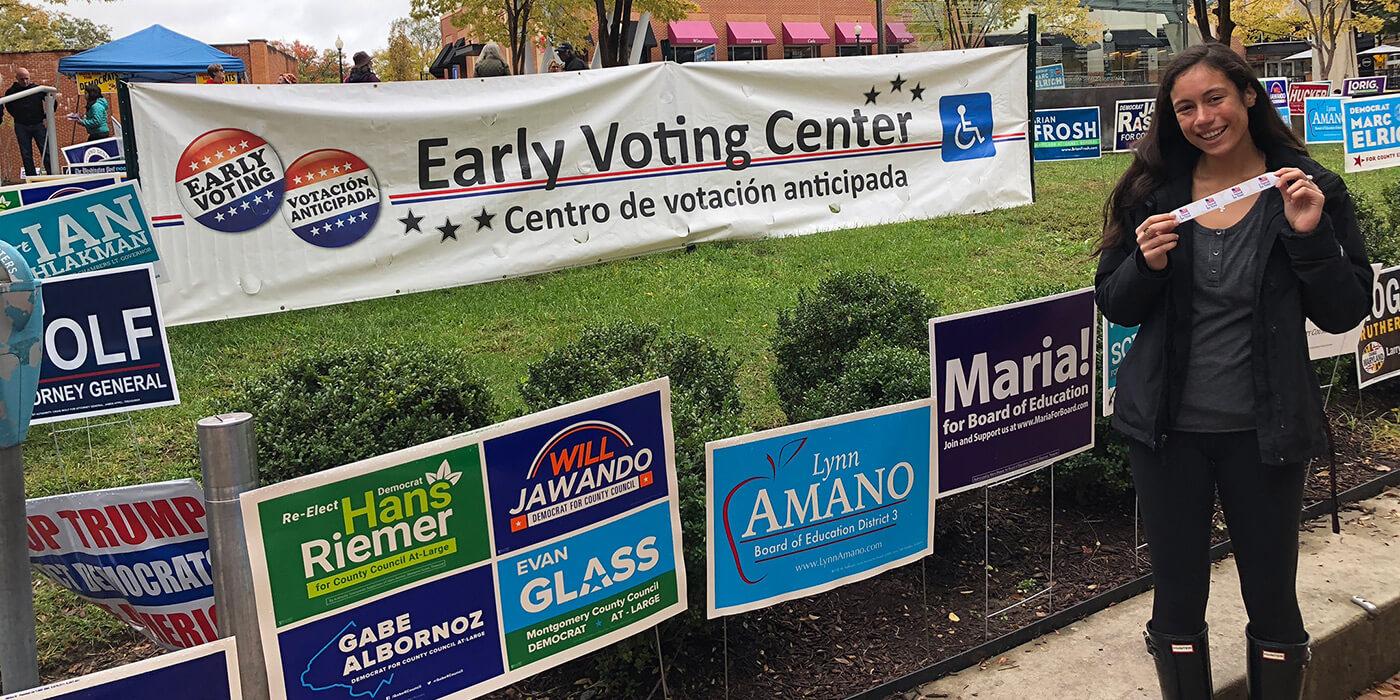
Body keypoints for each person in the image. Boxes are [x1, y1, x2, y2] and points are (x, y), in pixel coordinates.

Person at [1095, 43, 1371, 700]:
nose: (1201, 117)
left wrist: (1310, 240)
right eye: (1184, 107)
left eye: (1214, 98)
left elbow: (1345, 311)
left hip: (1265, 433)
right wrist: (1147, 265)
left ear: (1248, 95)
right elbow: (1115, 300)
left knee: (1273, 596)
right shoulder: (1152, 194)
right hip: (1167, 432)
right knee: (1177, 598)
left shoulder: (1308, 189)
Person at [4, 68, 49, 177]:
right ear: (17, 79)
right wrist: (17, 116)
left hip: (38, 123)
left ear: (30, 77)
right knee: (26, 153)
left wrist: (46, 116)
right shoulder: (11, 92)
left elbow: (52, 101)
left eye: (26, 79)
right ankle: (31, 176)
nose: (25, 81)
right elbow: (7, 105)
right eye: (22, 79)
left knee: (46, 150)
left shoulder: (38, 89)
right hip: (21, 125)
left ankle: (51, 172)